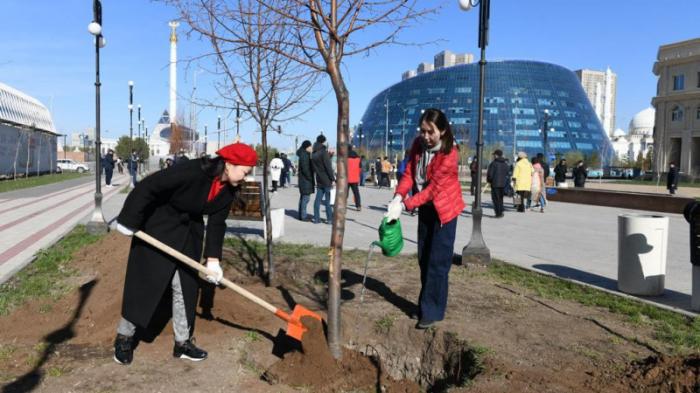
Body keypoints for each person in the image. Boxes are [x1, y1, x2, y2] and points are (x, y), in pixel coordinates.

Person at [113, 143, 257, 365]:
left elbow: (217, 223)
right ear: (229, 164)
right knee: (145, 283)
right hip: (159, 226)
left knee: (186, 286)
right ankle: (124, 338)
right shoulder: (192, 171)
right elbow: (150, 186)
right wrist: (129, 219)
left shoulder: (229, 190)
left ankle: (182, 343)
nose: (246, 177)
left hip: (190, 233)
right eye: (245, 171)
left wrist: (213, 260)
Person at [385, 108, 464, 329]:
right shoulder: (419, 146)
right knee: (424, 258)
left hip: (445, 212)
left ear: (443, 130)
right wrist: (398, 196)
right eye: (423, 131)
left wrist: (405, 204)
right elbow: (409, 173)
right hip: (427, 209)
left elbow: (433, 190)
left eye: (431, 132)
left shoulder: (449, 154)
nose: (426, 136)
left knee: (438, 262)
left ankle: (431, 311)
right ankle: (426, 304)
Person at [311, 134, 334, 224]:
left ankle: (316, 219)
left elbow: (315, 167)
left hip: (319, 179)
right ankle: (329, 219)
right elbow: (328, 166)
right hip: (326, 179)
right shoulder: (323, 152)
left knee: (317, 199)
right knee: (327, 201)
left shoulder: (313, 153)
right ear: (323, 142)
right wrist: (332, 178)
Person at [486, 149, 509, 218]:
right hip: (503, 184)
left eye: (494, 155)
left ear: (496, 155)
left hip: (495, 184)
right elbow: (507, 172)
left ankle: (498, 213)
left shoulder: (494, 163)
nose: (493, 156)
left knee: (495, 199)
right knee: (501, 199)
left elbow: (490, 174)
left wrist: (489, 180)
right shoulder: (505, 163)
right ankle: (501, 211)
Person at [296, 140, 315, 221]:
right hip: (305, 181)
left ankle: (301, 215)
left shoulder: (305, 154)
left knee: (303, 198)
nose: (312, 148)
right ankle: (303, 216)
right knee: (305, 198)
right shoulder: (304, 155)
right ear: (307, 147)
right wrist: (310, 178)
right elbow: (305, 169)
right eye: (310, 146)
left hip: (304, 180)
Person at [347, 147, 362, 211]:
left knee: (345, 193)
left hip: (346, 178)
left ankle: (343, 204)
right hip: (355, 178)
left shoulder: (345, 158)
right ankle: (358, 206)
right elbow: (360, 169)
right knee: (356, 193)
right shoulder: (358, 159)